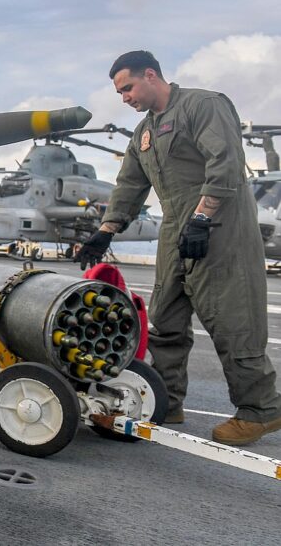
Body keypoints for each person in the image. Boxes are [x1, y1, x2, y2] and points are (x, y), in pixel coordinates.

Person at [79, 50, 281, 445]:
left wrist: (203, 217)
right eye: (120, 93)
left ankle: (260, 409)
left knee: (232, 319)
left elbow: (225, 162)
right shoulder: (144, 132)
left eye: (127, 88)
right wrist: (105, 230)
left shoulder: (203, 105)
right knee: (166, 320)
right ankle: (166, 400)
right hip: (175, 228)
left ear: (150, 75)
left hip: (221, 226)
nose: (124, 98)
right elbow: (130, 184)